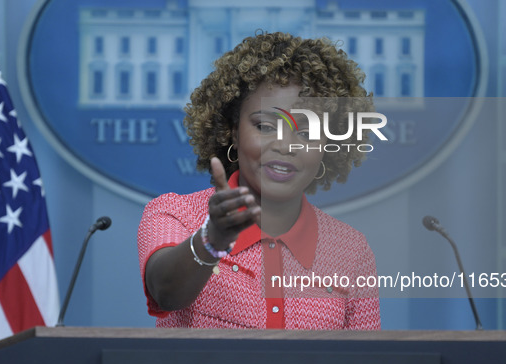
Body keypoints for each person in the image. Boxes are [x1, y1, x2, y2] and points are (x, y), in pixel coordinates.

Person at [137, 32, 380, 330]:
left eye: (306, 133)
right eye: (265, 125)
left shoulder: (351, 250)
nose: (285, 145)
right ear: (232, 132)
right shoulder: (175, 214)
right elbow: (165, 293)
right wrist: (212, 240)